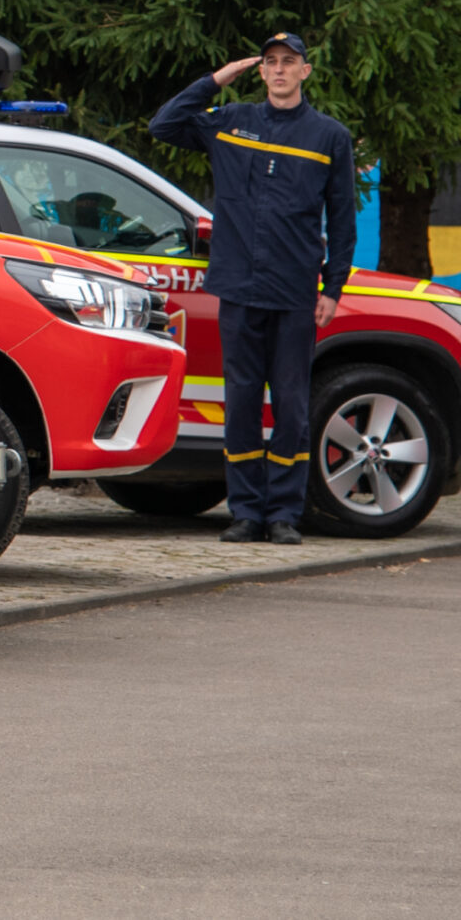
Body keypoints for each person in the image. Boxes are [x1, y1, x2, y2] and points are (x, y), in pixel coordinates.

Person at [148, 32, 356, 546]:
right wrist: (219, 78)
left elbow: (343, 219)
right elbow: (164, 124)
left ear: (306, 71)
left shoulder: (329, 137)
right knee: (239, 402)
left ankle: (284, 513)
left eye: (290, 62)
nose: (280, 70)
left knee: (290, 405)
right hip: (238, 288)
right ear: (261, 71)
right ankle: (245, 512)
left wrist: (332, 286)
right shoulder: (231, 122)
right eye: (271, 63)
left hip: (293, 293)